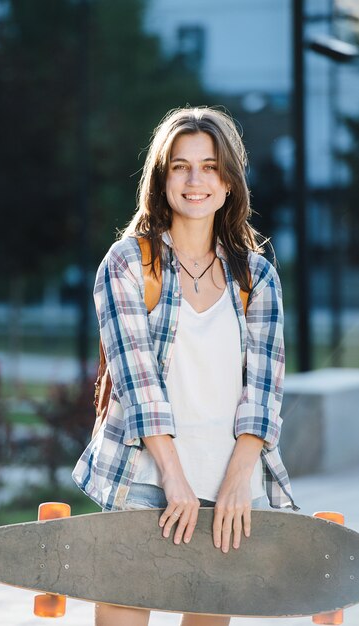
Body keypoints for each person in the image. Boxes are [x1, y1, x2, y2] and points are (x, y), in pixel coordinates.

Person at [72, 106, 298, 626]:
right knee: (124, 610)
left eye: (210, 166)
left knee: (208, 613)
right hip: (147, 473)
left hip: (227, 479)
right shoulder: (129, 264)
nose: (196, 180)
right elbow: (137, 383)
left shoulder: (256, 276)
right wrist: (172, 477)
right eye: (180, 166)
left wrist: (239, 480)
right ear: (162, 178)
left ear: (229, 182)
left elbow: (263, 393)